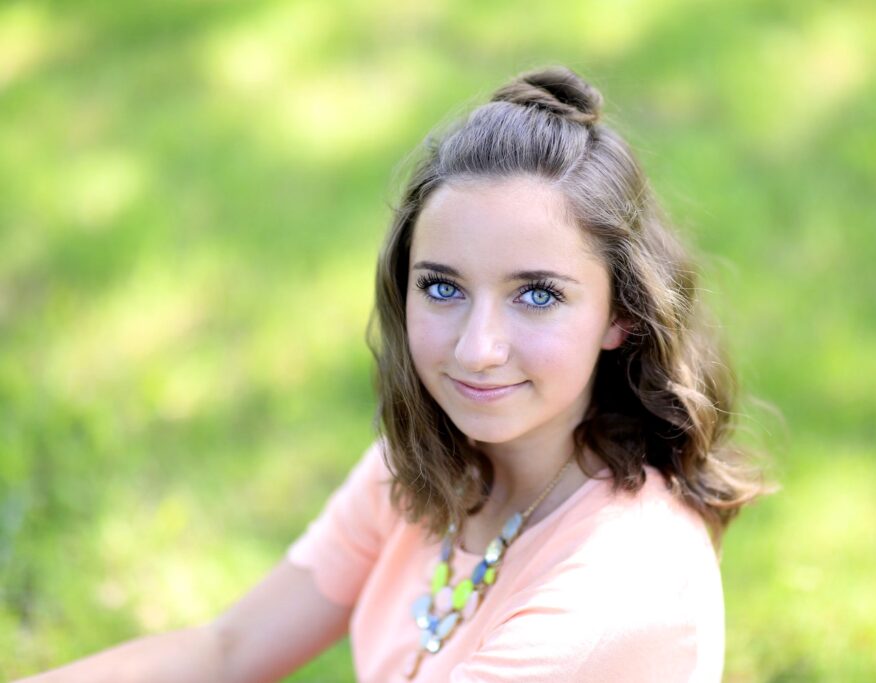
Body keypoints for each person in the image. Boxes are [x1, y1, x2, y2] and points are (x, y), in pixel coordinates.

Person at [18, 65, 771, 683]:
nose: (477, 348)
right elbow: (228, 650)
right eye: (442, 286)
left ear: (621, 315)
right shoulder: (428, 465)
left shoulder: (613, 586)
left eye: (536, 295)